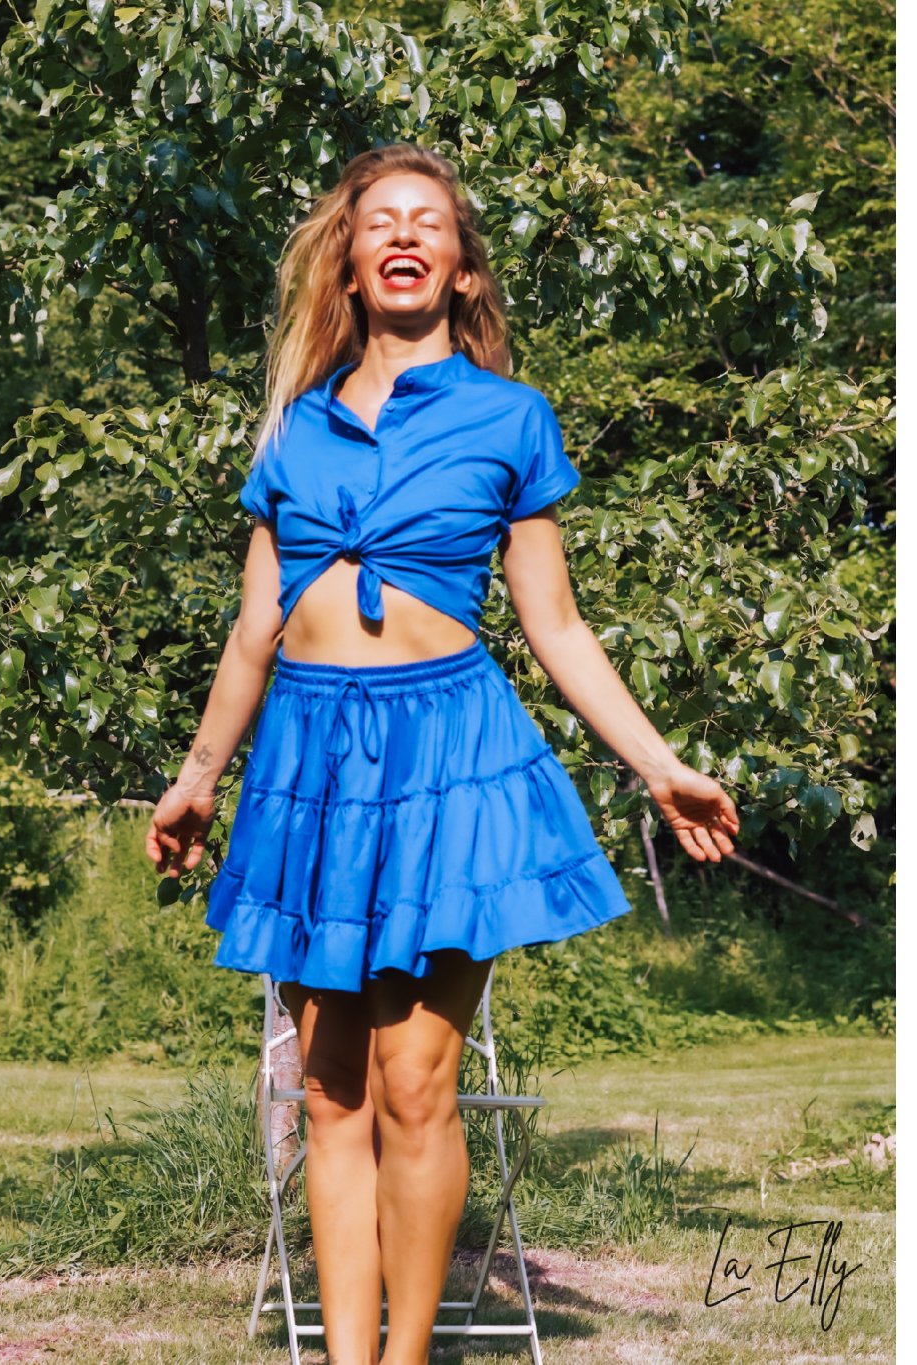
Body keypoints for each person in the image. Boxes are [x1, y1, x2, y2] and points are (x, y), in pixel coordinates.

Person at [145, 143, 740, 1365]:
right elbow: (254, 626)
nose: (405, 235)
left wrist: (658, 765)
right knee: (328, 1090)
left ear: (462, 269)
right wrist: (199, 778)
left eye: (430, 222)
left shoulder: (509, 416)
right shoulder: (296, 428)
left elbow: (554, 623)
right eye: (380, 222)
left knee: (416, 1081)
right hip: (310, 763)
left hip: (444, 759)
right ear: (350, 264)